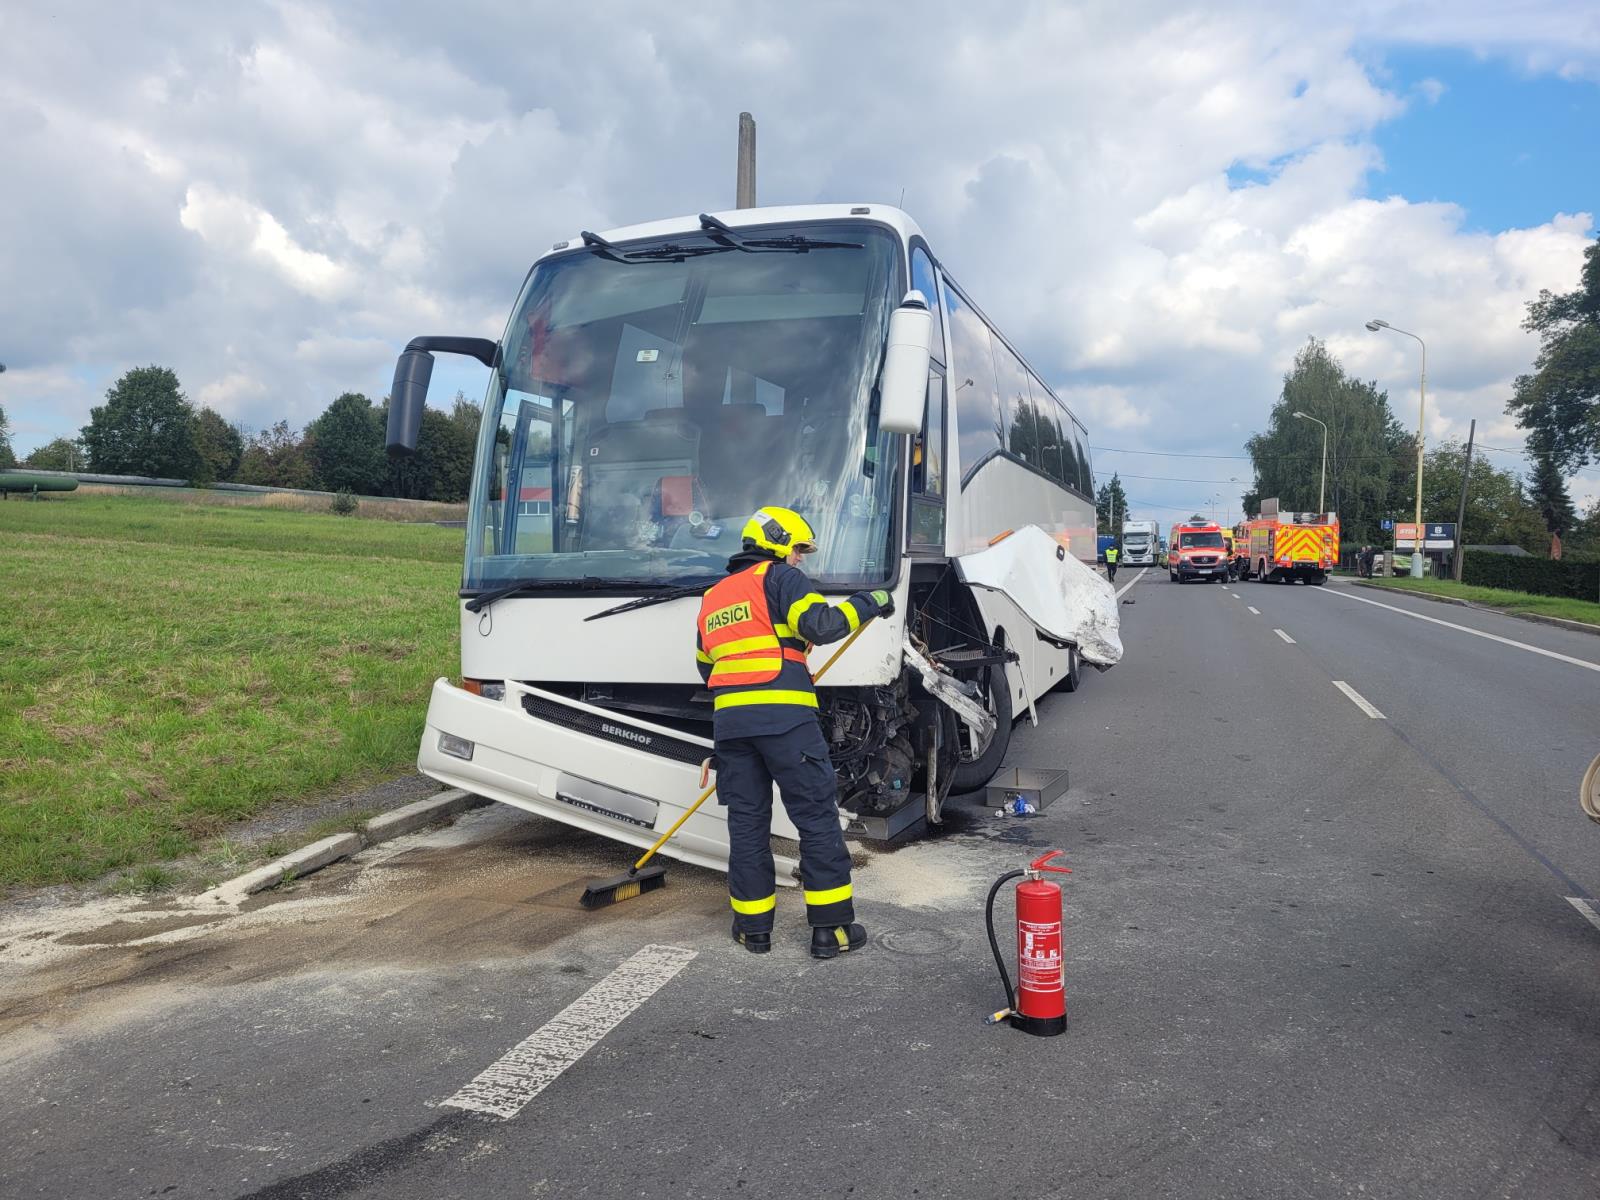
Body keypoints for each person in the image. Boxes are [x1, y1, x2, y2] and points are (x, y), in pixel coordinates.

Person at [696, 506, 895, 959]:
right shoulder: (780, 578)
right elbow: (821, 626)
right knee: (815, 818)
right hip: (785, 719)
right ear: (778, 543)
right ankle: (832, 930)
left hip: (731, 726)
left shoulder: (713, 597)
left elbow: (706, 665)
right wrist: (872, 602)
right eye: (798, 549)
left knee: (747, 825)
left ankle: (752, 929)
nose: (800, 558)